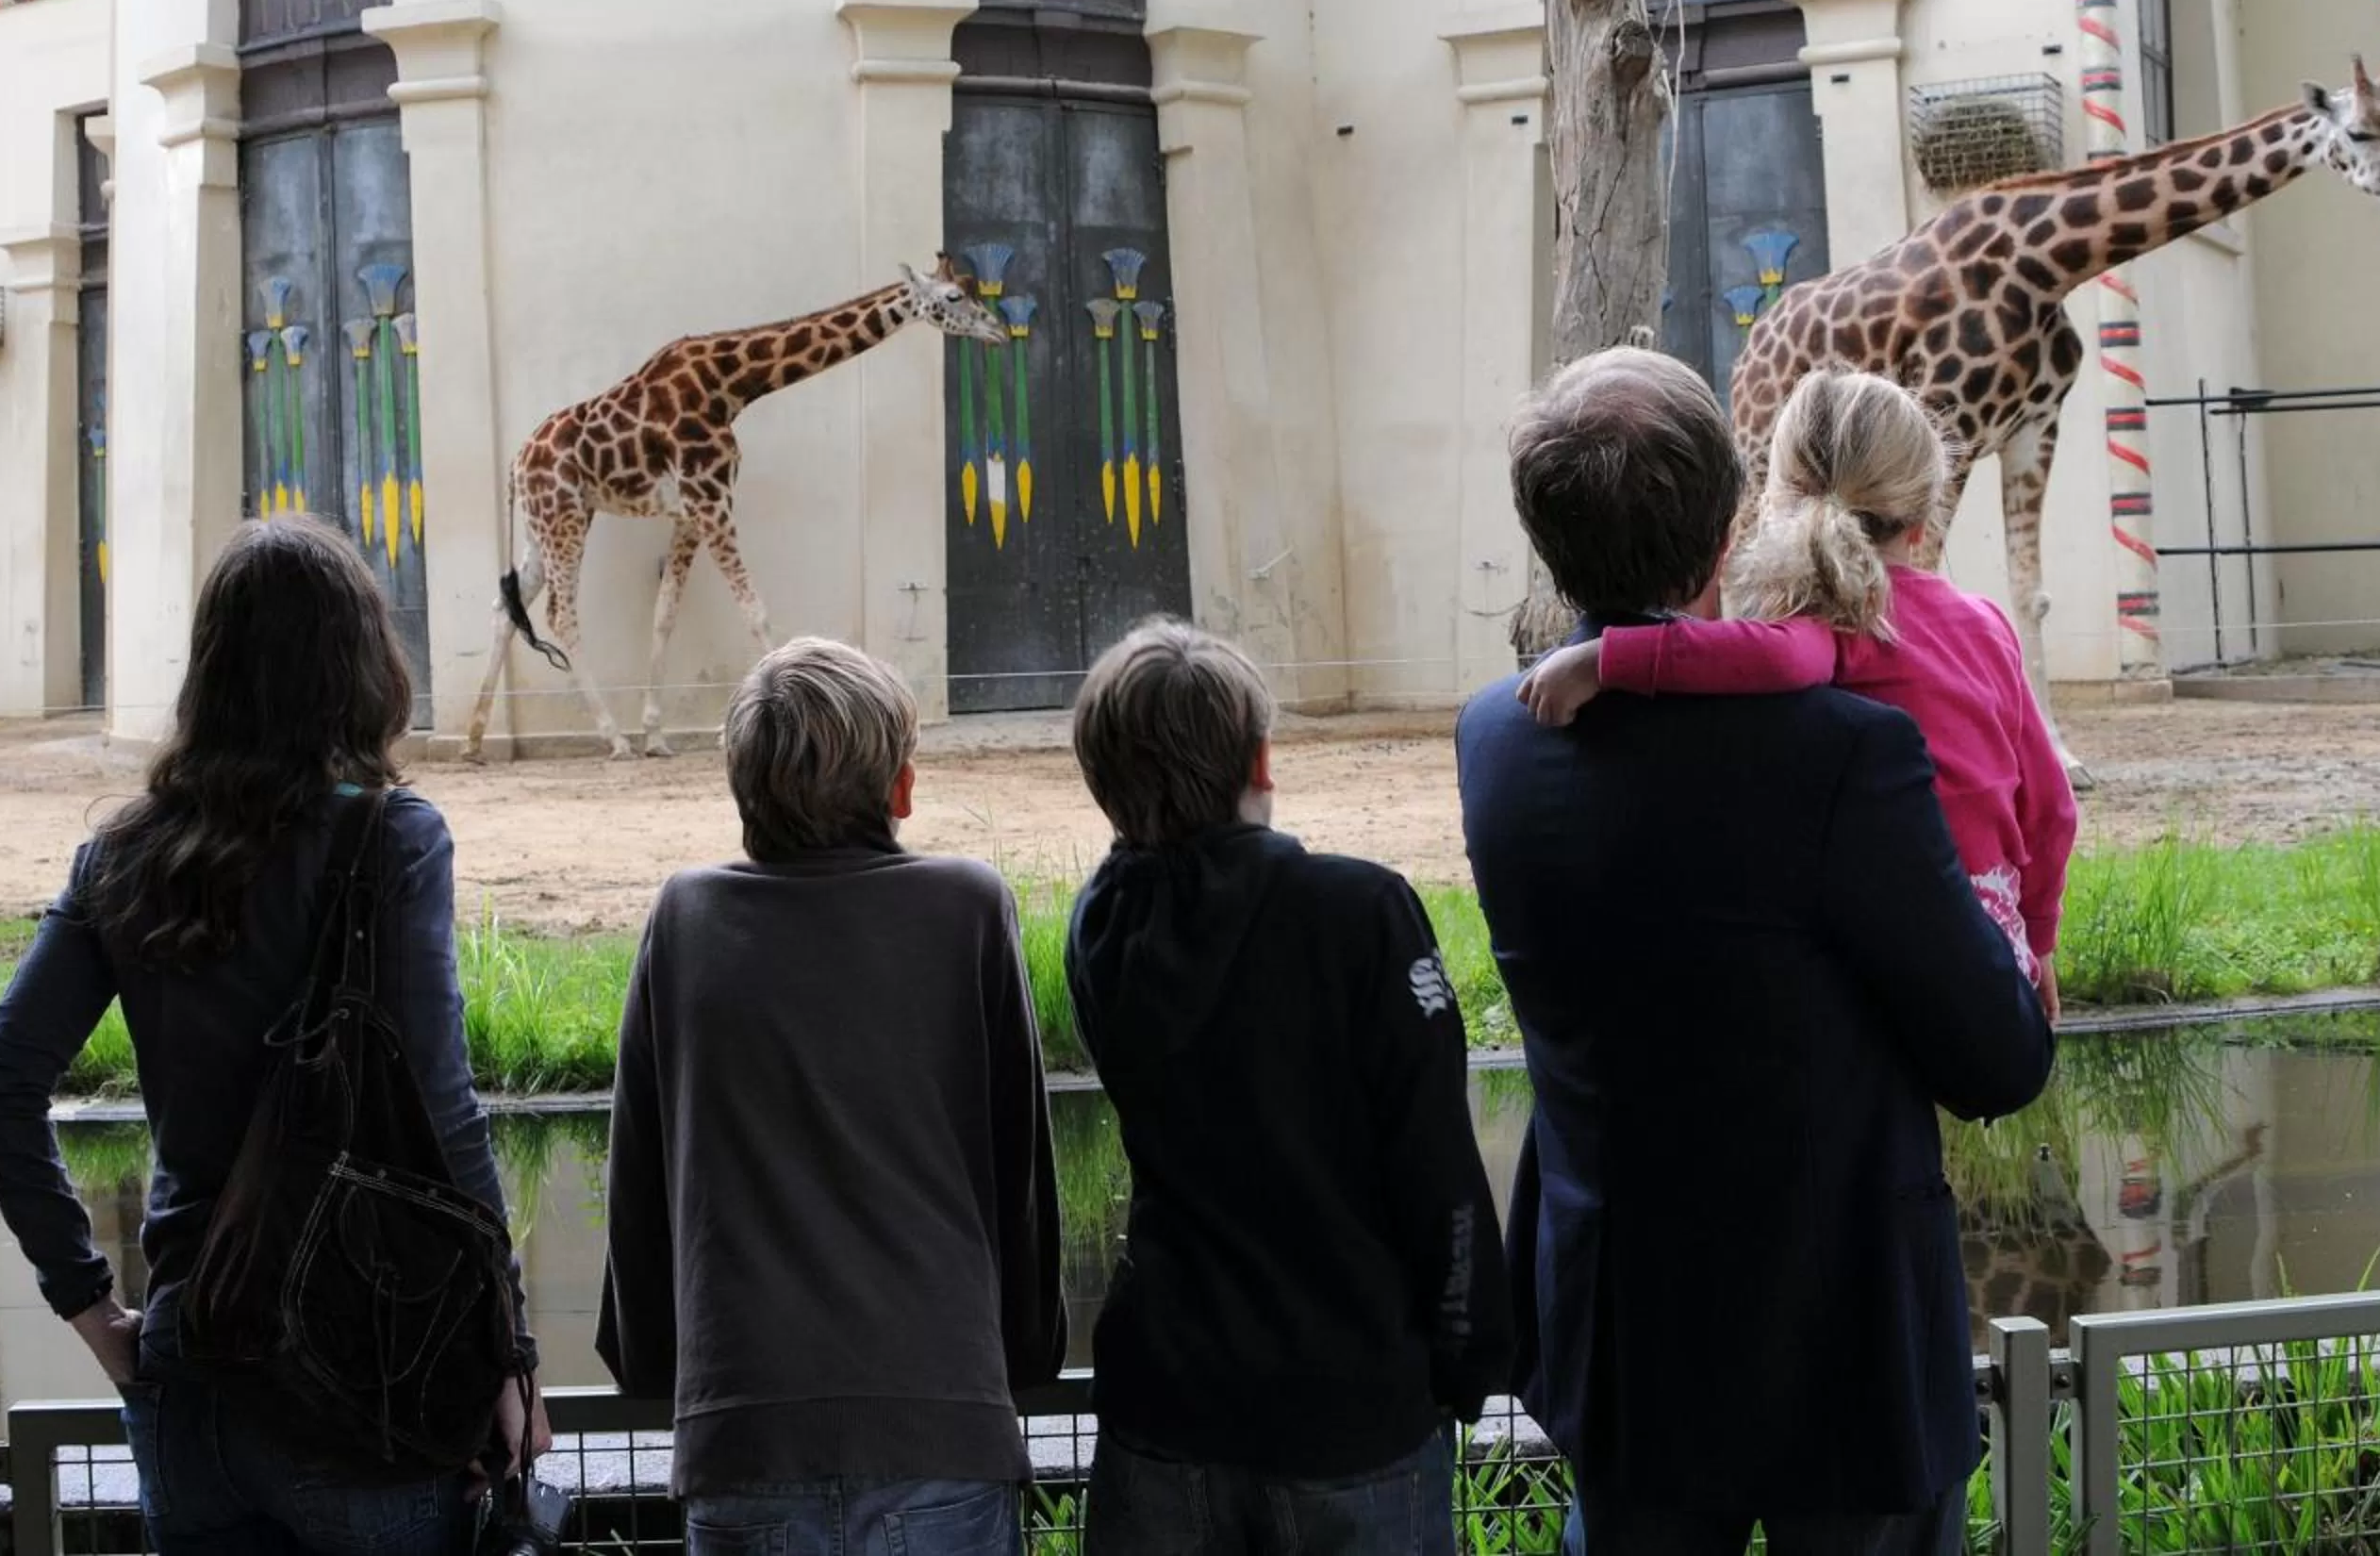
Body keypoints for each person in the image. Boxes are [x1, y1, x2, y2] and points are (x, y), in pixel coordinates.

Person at [1456, 348, 2053, 1556]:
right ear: (1731, 528)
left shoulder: (1494, 741)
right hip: (1844, 1349)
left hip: (1625, 1335)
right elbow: (1994, 1060)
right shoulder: (1844, 749)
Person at [0, 516, 544, 1556]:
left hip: (191, 1378)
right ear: (364, 665)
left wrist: (95, 1314)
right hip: (369, 1374)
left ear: (212, 670)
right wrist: (510, 1357)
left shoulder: (123, 858)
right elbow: (445, 1115)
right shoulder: (395, 839)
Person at [597, 637, 1066, 1556]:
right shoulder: (968, 907)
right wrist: (1024, 1361)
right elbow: (1021, 1172)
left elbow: (639, 1182)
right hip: (943, 1428)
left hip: (745, 1440)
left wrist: (656, 1369)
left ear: (744, 789)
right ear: (899, 790)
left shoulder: (686, 921)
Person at [1065, 620, 1512, 1556]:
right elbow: (1435, 1164)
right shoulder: (1360, 911)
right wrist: (1466, 1354)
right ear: (1262, 760)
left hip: (1165, 1406)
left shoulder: (1101, 926)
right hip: (1349, 1412)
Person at [1515, 367, 2079, 1022]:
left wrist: (1604, 659)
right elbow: (2051, 807)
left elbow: (1770, 660)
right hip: (1992, 928)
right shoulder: (1987, 623)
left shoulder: (1837, 618)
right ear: (1923, 519)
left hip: (1902, 926)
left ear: (1780, 505)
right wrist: (2037, 944)